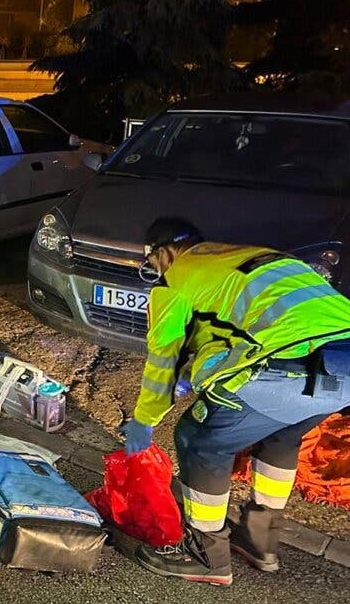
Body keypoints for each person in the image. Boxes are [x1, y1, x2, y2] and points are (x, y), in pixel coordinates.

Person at [123, 218, 350, 586]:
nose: (153, 269)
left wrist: (145, 419)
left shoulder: (177, 277)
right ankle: (260, 541)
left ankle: (206, 555)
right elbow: (233, 326)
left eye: (151, 261)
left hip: (286, 367)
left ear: (164, 251)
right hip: (342, 364)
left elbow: (163, 356)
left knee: (200, 440)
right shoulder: (247, 256)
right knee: (281, 436)